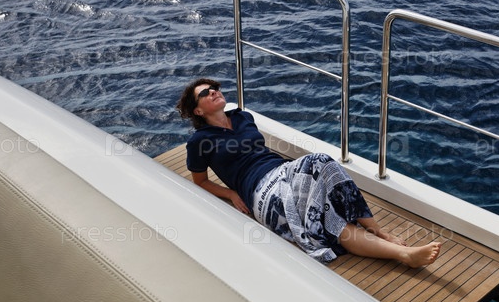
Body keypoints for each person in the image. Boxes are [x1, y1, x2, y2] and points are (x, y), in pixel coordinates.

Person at [176, 78, 442, 268]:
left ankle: (388, 241)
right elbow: (200, 180)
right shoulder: (200, 140)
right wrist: (232, 193)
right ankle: (399, 252)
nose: (214, 91)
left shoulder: (243, 117)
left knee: (328, 196)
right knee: (322, 171)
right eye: (206, 92)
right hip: (261, 193)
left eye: (215, 87)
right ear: (198, 110)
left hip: (283, 171)